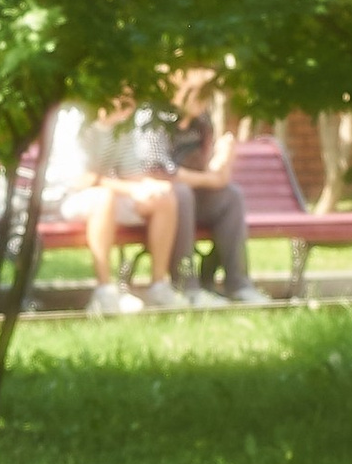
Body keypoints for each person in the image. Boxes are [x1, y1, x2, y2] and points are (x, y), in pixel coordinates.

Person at [47, 101, 186, 316]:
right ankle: (105, 292)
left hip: (104, 195)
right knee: (104, 197)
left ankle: (159, 286)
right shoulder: (74, 120)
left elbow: (131, 172)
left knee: (164, 197)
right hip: (62, 200)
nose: (131, 103)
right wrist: (130, 188)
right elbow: (79, 179)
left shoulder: (122, 126)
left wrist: (149, 186)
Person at [159, 68, 264, 304]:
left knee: (232, 196)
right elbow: (161, 171)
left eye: (206, 97)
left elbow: (211, 169)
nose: (203, 103)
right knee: (182, 193)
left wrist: (223, 159)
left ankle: (239, 284)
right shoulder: (159, 121)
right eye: (199, 96)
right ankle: (188, 287)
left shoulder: (201, 123)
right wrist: (209, 179)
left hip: (198, 197)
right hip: (168, 201)